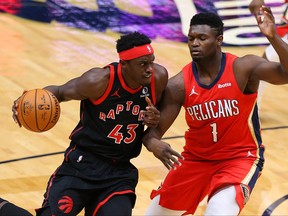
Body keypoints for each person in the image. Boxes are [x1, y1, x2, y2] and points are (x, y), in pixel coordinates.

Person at [142, 6, 288, 216]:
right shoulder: (179, 85)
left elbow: (285, 74)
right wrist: (154, 144)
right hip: (194, 160)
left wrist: (273, 37)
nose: (194, 43)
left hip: (239, 158)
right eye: (191, 38)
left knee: (218, 211)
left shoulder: (242, 68)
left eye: (202, 38)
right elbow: (153, 133)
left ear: (219, 40)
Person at [10, 31, 174, 216]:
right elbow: (59, 92)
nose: (149, 69)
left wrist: (154, 120)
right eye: (143, 64)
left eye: (151, 61)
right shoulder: (98, 81)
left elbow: (155, 118)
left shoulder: (158, 78)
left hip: (119, 172)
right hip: (82, 164)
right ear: (124, 64)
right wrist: (27, 101)